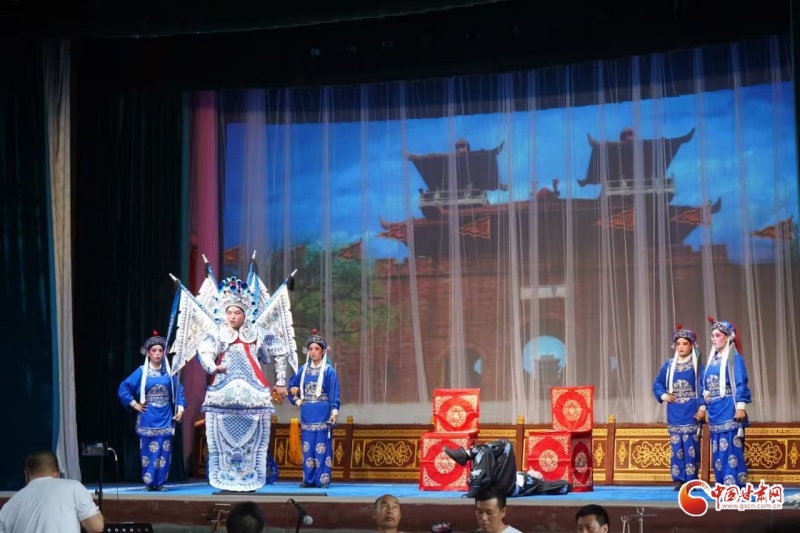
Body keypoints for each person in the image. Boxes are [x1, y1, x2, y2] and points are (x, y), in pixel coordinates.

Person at [196, 276, 293, 492]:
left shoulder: (257, 332)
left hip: (254, 393)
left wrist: (280, 382)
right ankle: (227, 478)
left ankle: (248, 478)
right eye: (229, 312)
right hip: (222, 393)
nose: (232, 316)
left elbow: (281, 350)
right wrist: (214, 367)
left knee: (253, 443)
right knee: (222, 442)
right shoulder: (217, 331)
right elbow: (205, 351)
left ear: (245, 313)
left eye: (236, 313)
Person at [118, 330, 186, 491]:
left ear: (164, 353)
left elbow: (179, 391)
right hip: (147, 417)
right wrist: (134, 404)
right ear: (148, 353)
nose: (157, 353)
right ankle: (149, 482)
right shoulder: (142, 371)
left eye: (160, 350)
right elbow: (124, 387)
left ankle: (160, 482)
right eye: (154, 350)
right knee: (148, 452)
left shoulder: (170, 373)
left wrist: (181, 410)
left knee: (164, 452)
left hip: (166, 417)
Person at [699, 317, 752, 487]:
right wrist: (706, 394)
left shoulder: (734, 358)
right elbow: (704, 382)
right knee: (718, 446)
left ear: (728, 337)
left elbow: (740, 383)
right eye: (712, 335)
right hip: (715, 408)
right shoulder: (712, 360)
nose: (714, 339)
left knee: (730, 445)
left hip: (729, 406)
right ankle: (722, 483)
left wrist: (741, 407)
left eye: (718, 335)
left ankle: (734, 484)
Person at [652, 324, 705, 490]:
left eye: (685, 344)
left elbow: (703, 386)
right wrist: (664, 396)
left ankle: (691, 480)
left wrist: (702, 408)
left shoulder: (697, 365)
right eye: (678, 344)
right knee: (677, 447)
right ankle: (680, 480)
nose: (681, 347)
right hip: (674, 411)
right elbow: (657, 384)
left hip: (691, 411)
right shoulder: (669, 365)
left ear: (692, 345)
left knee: (691, 447)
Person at [0, 451, 104, 533]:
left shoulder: (9, 506)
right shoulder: (74, 488)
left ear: (26, 475)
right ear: (58, 474)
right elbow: (96, 527)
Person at [288, 329, 341, 488]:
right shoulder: (303, 370)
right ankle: (309, 480)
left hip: (323, 413)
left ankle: (322, 480)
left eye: (317, 349)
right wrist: (297, 400)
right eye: (310, 349)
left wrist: (334, 411)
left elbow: (334, 392)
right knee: (308, 447)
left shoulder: (328, 371)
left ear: (323, 351)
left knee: (322, 448)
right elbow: (292, 386)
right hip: (307, 413)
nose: (313, 352)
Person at [445, 439, 570, 498]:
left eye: (538, 473)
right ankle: (476, 486)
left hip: (505, 488)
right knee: (485, 451)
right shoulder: (516, 473)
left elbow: (565, 485)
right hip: (491, 484)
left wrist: (542, 482)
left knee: (507, 445)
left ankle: (465, 454)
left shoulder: (536, 484)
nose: (534, 471)